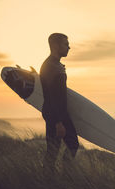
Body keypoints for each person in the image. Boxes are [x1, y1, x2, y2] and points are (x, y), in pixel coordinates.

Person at [40, 33, 79, 172]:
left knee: (53, 150)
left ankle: (50, 177)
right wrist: (59, 123)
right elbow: (54, 97)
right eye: (65, 44)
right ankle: (64, 176)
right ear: (56, 46)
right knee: (71, 145)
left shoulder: (52, 64)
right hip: (56, 115)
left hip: (54, 114)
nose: (69, 47)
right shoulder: (52, 67)